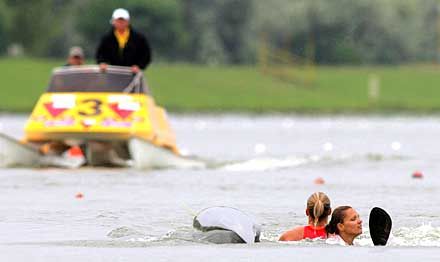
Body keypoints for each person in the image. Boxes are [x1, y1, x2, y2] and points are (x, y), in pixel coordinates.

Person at [95, 8, 152, 73]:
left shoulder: (139, 38)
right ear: (113, 21)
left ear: (128, 22)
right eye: (118, 21)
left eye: (123, 21)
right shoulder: (107, 38)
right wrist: (102, 63)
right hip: (111, 74)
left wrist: (139, 66)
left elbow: (146, 55)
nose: (120, 23)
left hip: (133, 74)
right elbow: (100, 54)